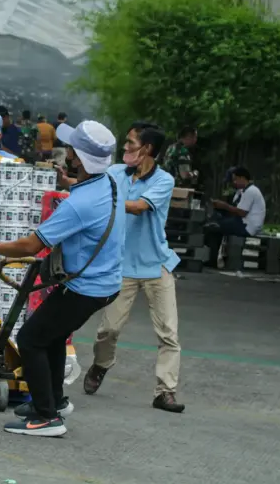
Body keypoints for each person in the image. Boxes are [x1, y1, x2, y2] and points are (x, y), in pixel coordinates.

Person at [0, 120, 124, 437]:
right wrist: (67, 180)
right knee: (52, 335)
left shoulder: (79, 205)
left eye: (70, 149)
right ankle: (54, 401)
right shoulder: (109, 183)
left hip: (86, 288)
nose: (66, 151)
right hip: (103, 281)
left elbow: (31, 245)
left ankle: (46, 418)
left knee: (30, 339)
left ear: (79, 158)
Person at [83, 122, 186, 413]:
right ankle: (101, 365)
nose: (125, 147)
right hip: (123, 265)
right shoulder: (116, 172)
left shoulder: (164, 180)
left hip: (157, 265)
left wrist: (108, 202)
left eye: (130, 143)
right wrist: (68, 183)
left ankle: (165, 391)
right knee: (108, 330)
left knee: (169, 334)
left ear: (147, 149)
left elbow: (140, 207)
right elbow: (91, 188)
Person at [204, 166, 266, 268]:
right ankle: (212, 259)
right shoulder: (243, 191)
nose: (234, 182)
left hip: (247, 226)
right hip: (242, 222)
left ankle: (211, 260)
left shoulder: (251, 191)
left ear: (242, 178)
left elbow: (242, 212)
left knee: (213, 227)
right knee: (215, 224)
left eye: (235, 179)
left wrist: (224, 206)